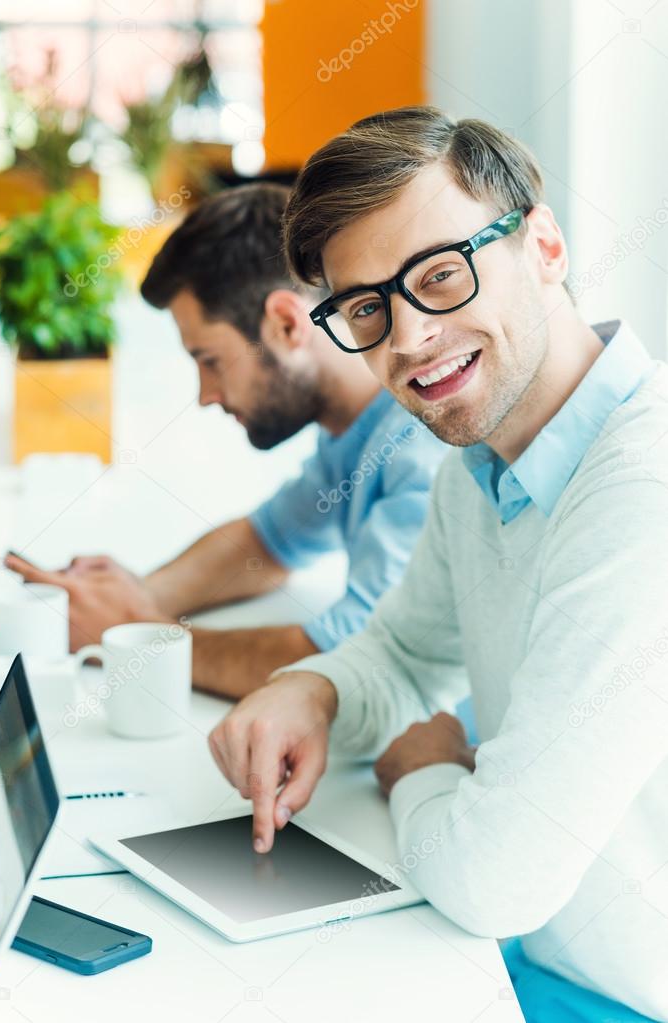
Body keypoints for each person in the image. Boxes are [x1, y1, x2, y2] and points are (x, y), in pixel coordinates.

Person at [208, 108, 668, 1021]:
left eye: (441, 275)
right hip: (521, 955)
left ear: (543, 246)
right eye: (368, 307)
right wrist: (318, 690)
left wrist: (418, 768)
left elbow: (500, 878)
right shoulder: (483, 458)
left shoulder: (639, 488)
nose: (409, 338)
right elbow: (409, 651)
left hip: (614, 991)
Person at [6, 183, 447, 699]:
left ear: (285, 323)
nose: (205, 395)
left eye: (209, 360)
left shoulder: (422, 449)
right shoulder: (355, 433)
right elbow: (268, 541)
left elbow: (357, 666)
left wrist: (134, 636)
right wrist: (136, 595)